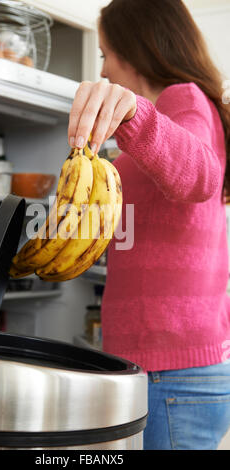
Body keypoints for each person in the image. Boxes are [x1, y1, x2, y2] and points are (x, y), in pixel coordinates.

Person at [68, 0, 230, 450]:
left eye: (104, 54)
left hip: (170, 374)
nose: (103, 71)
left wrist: (133, 113)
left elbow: (201, 174)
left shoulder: (184, 98)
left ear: (133, 47)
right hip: (166, 371)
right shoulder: (171, 118)